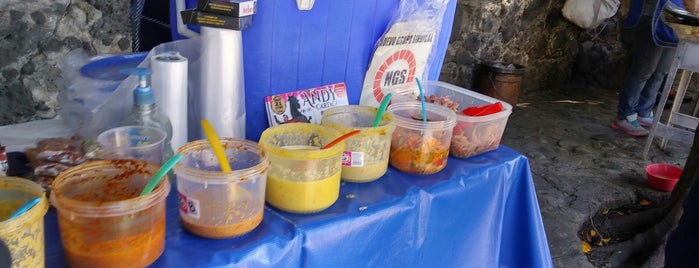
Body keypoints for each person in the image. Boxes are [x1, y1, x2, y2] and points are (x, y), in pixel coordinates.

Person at [611, 0, 677, 137]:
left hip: (675, 24)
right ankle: (625, 115)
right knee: (643, 71)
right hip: (651, 18)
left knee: (661, 72)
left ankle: (644, 111)